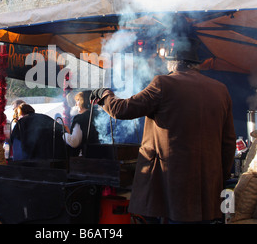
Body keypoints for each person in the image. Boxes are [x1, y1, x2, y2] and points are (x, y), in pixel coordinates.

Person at [90, 37, 236, 224]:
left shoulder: (164, 83)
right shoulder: (221, 90)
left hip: (173, 180)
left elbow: (122, 109)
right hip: (208, 183)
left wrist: (104, 95)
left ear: (173, 63)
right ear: (195, 64)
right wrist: (218, 176)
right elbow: (229, 141)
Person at [63, 92, 99, 156]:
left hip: (87, 157)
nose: (76, 104)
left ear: (83, 101)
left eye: (78, 100)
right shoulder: (99, 115)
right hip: (101, 154)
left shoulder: (80, 118)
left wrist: (63, 133)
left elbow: (74, 142)